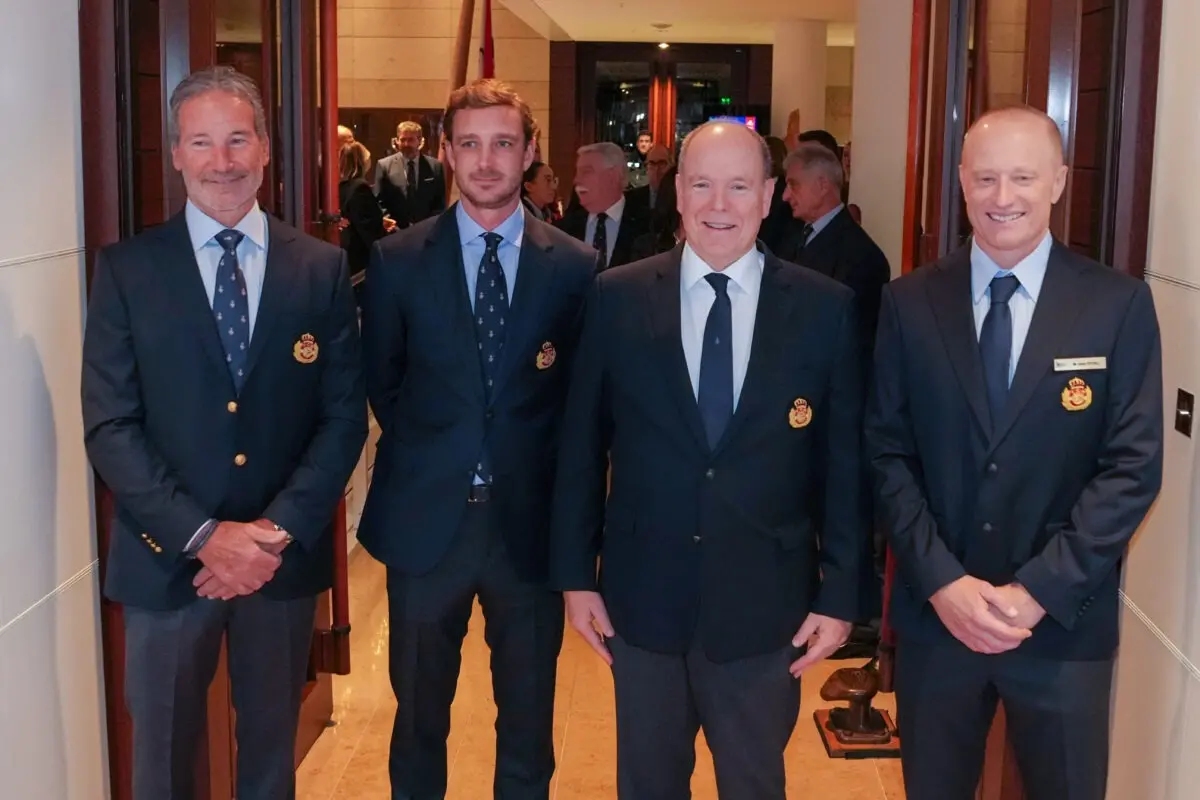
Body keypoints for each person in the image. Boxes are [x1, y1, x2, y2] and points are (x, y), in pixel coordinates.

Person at [550, 120, 869, 799]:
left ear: (769, 195)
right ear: (678, 194)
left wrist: (841, 595)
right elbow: (579, 447)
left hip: (767, 609)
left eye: (739, 187)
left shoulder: (825, 309)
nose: (719, 205)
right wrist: (577, 577)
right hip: (643, 603)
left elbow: (843, 466)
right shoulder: (616, 297)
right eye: (701, 185)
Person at [81, 65, 367, 800]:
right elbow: (111, 425)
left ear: (266, 148)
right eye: (202, 142)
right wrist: (205, 536)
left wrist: (271, 534)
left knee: (271, 762)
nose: (223, 161)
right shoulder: (128, 271)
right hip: (166, 562)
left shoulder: (321, 269)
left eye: (238, 139)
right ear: (177, 153)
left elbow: (342, 419)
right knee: (164, 768)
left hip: (278, 566)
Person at [866, 106, 1163, 800]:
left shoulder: (1116, 305)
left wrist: (1037, 593)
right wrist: (943, 582)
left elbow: (1132, 467)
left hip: (1063, 627)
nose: (1003, 197)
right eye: (986, 178)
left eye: (1023, 178)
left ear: (1058, 181)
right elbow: (885, 453)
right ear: (962, 181)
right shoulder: (909, 303)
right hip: (939, 621)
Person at [357, 78, 597, 800]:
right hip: (426, 525)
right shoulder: (397, 261)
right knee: (417, 720)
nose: (486, 161)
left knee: (527, 725)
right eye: (470, 144)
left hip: (529, 531)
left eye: (502, 144)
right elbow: (384, 383)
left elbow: (582, 405)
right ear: (447, 152)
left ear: (529, 152)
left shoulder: (576, 267)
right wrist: (446, 452)